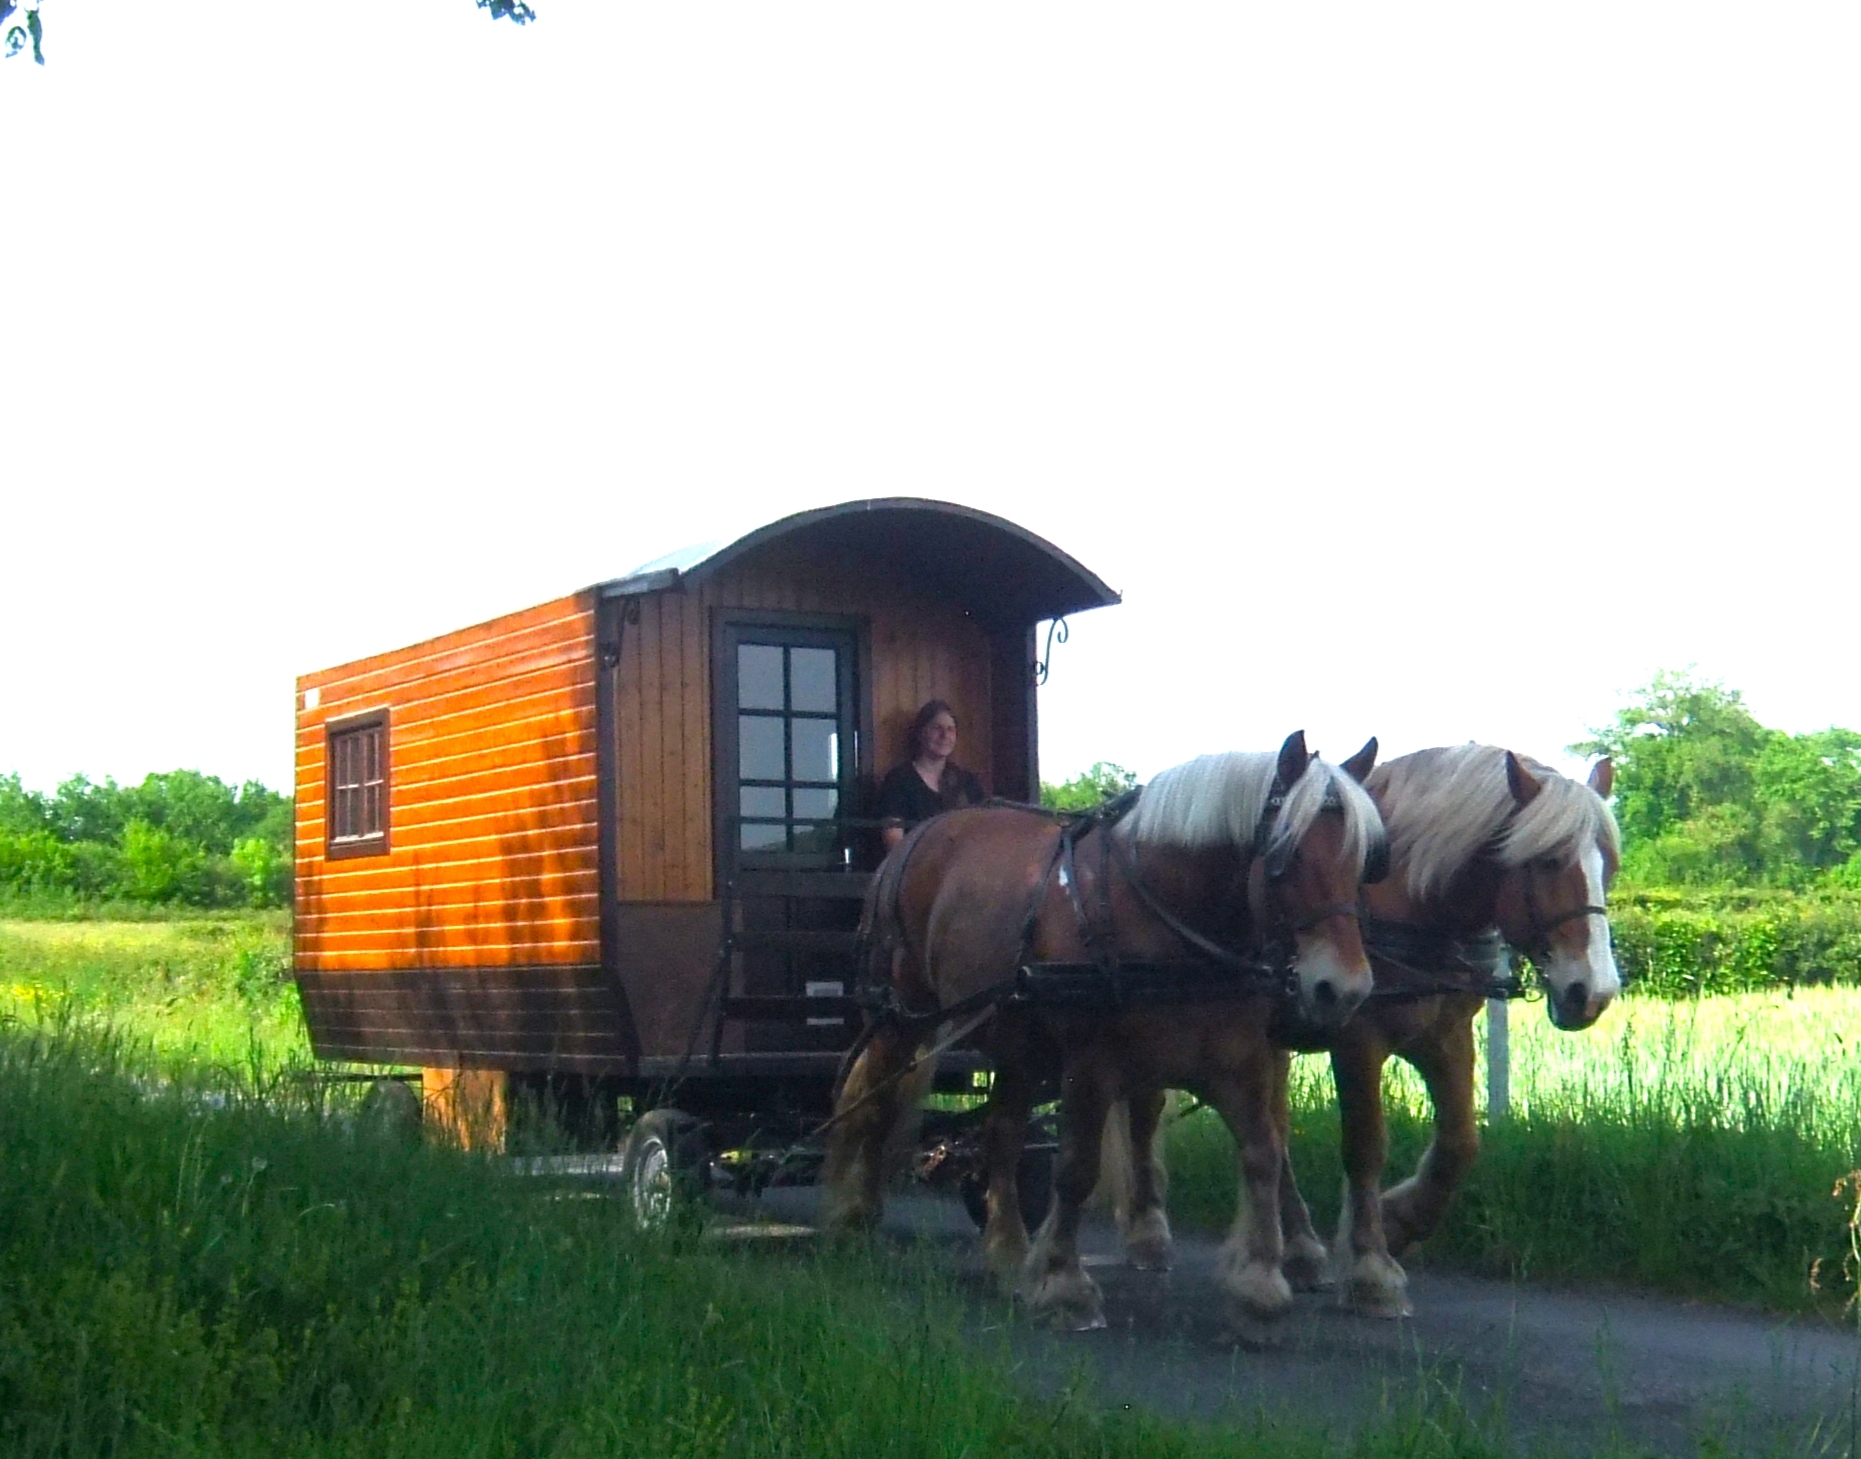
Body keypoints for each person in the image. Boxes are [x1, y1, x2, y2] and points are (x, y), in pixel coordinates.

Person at [877, 699, 986, 849]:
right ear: (920, 734)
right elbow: (894, 839)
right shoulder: (898, 780)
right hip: (919, 867)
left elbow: (982, 831)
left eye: (950, 730)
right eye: (937, 728)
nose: (944, 735)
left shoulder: (967, 782)